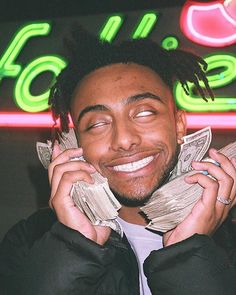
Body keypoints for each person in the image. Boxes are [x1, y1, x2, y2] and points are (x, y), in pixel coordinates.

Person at [1, 25, 236, 295]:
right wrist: (74, 246)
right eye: (97, 123)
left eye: (144, 113)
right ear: (76, 143)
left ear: (179, 124)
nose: (124, 140)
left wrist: (190, 252)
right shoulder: (30, 241)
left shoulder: (229, 244)